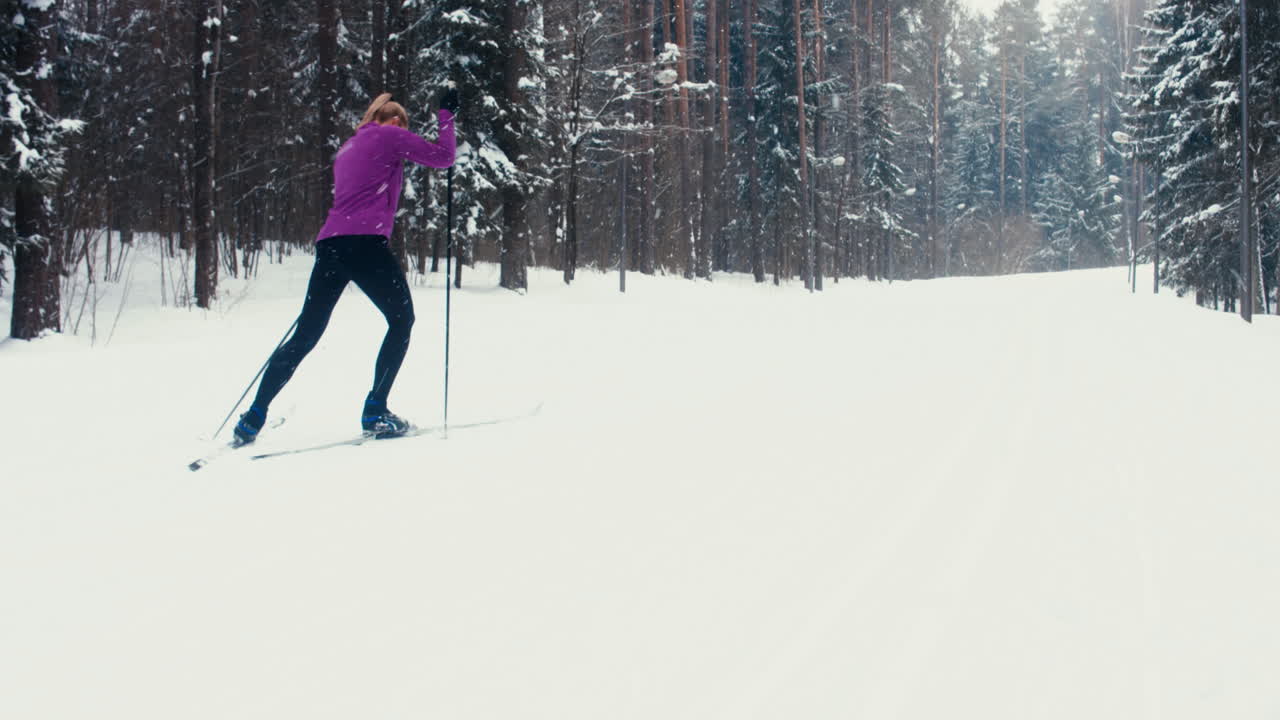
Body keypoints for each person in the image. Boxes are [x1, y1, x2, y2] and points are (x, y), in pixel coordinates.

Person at [233, 90, 459, 445]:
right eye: (404, 124)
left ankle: (253, 415)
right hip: (365, 244)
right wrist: (447, 115)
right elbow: (444, 157)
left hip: (331, 246)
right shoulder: (390, 135)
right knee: (401, 321)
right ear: (396, 120)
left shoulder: (349, 146)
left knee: (306, 334)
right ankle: (376, 410)